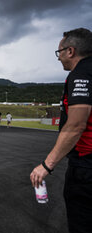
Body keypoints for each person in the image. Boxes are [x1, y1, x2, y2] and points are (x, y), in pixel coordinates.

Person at [30, 28, 92, 233]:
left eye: (60, 52)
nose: (59, 58)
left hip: (86, 163)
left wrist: (47, 165)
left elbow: (76, 124)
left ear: (71, 51)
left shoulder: (81, 73)